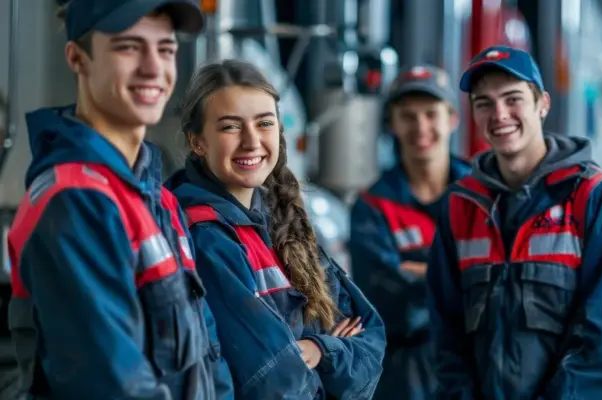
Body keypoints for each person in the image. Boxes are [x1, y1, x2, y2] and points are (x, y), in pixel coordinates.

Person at [6, 1, 234, 398]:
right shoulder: (76, 202)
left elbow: (205, 353)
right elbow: (115, 387)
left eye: (165, 49)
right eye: (128, 47)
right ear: (77, 58)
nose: (153, 68)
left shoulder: (159, 199)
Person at [426, 46, 602, 399]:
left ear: (542, 104)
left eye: (513, 99)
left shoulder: (593, 197)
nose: (499, 114)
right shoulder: (460, 206)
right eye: (484, 103)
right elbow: (445, 333)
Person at [164, 59, 386, 399]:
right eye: (230, 127)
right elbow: (273, 382)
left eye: (264, 123)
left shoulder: (282, 219)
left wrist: (319, 350)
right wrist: (333, 350)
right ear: (198, 142)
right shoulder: (204, 234)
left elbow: (372, 335)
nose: (252, 141)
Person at [349, 64, 470, 400]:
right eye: (408, 115)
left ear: (452, 119)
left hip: (475, 372)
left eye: (432, 114)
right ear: (393, 123)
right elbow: (389, 303)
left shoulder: (482, 196)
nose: (421, 127)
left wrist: (420, 272)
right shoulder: (372, 206)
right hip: (403, 382)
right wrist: (464, 274)